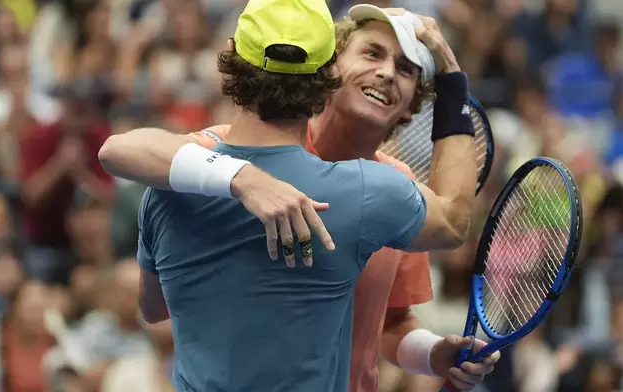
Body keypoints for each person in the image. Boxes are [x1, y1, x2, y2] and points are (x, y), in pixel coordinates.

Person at [100, 3, 498, 392]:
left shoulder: (181, 179)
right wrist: (246, 179)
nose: (386, 72)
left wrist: (433, 354)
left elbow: (391, 324)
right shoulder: (380, 194)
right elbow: (452, 219)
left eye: (407, 69)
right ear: (330, 70)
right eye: (371, 53)